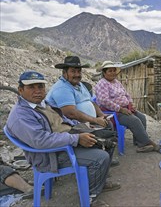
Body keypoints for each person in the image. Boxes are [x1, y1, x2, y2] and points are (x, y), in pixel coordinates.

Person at [6, 71, 120, 204]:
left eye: (40, 87)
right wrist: (76, 139)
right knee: (101, 157)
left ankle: (98, 179)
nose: (37, 91)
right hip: (50, 155)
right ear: (20, 90)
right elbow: (41, 141)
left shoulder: (43, 104)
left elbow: (63, 120)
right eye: (31, 87)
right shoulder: (21, 115)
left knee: (109, 138)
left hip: (65, 139)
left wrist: (84, 128)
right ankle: (90, 197)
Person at [46, 56, 119, 166]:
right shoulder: (62, 88)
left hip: (85, 122)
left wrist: (101, 115)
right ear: (64, 73)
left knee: (109, 128)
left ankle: (104, 160)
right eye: (73, 71)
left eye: (79, 71)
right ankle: (97, 162)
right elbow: (70, 113)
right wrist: (95, 120)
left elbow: (91, 102)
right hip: (70, 127)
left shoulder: (79, 84)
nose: (77, 74)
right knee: (106, 135)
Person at [94, 61, 160, 153]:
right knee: (134, 120)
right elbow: (104, 101)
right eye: (110, 71)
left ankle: (139, 142)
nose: (113, 73)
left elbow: (126, 94)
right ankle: (145, 143)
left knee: (142, 117)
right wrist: (120, 109)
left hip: (125, 108)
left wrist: (131, 103)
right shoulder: (102, 83)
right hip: (113, 112)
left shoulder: (116, 82)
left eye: (114, 70)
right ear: (104, 73)